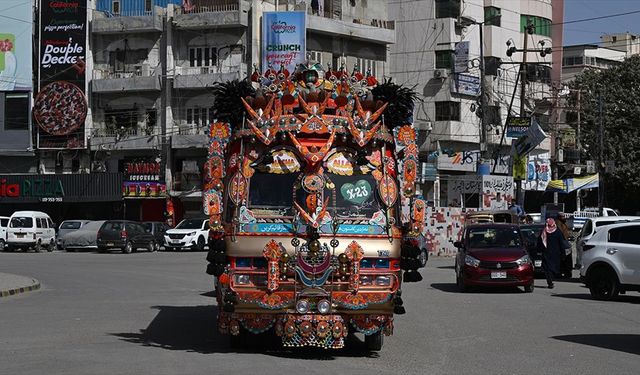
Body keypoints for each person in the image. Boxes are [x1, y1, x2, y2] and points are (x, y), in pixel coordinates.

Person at [538, 218, 571, 289]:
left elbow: (540, 242)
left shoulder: (544, 231)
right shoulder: (557, 232)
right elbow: (562, 243)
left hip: (547, 253)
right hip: (555, 253)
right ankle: (550, 281)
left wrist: (539, 250)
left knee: (548, 268)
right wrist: (563, 252)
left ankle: (550, 281)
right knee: (550, 268)